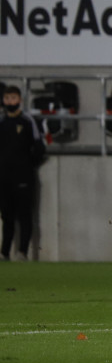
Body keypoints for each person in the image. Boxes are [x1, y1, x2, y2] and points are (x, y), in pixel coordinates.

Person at [0, 86, 46, 262]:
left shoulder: (28, 121)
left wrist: (28, 164)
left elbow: (39, 147)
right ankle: (4, 253)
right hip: (4, 177)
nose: (10, 101)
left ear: (19, 100)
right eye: (7, 98)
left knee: (24, 215)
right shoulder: (1, 121)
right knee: (6, 216)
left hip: (23, 176)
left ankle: (22, 252)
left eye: (13, 98)